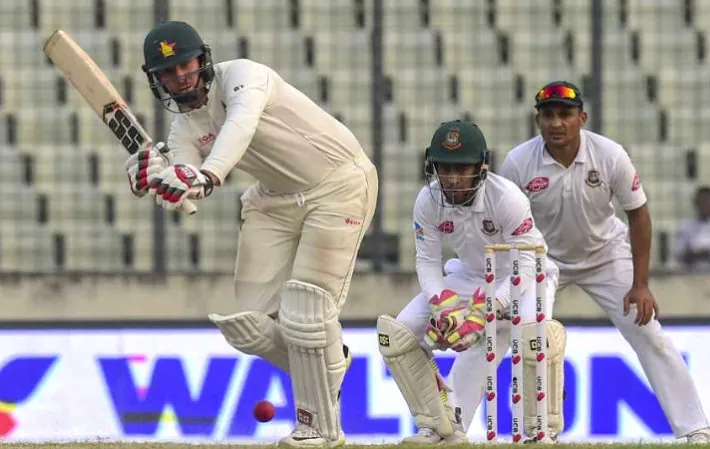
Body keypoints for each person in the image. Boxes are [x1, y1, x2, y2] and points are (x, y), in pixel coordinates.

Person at [126, 21, 378, 448]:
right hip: (274, 201)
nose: (179, 76)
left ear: (202, 59)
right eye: (167, 72)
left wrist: (207, 174)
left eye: (184, 64)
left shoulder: (244, 75)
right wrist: (159, 181)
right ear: (157, 80)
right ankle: (332, 361)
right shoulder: (184, 127)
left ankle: (316, 429)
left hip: (338, 186)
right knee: (253, 326)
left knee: (306, 312)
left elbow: (238, 129)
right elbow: (187, 195)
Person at [499, 81, 710, 443]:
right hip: (540, 257)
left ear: (581, 118)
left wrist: (641, 284)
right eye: (548, 115)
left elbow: (640, 216)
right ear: (538, 120)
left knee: (649, 333)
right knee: (530, 338)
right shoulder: (519, 162)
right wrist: (510, 283)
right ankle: (535, 430)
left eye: (565, 115)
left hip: (605, 255)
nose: (557, 123)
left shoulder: (610, 154)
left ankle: (695, 428)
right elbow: (504, 226)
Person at [376, 120, 566, 444]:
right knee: (400, 335)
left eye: (461, 168)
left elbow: (526, 259)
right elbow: (426, 260)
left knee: (533, 337)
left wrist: (487, 309)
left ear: (481, 167)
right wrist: (442, 305)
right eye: (443, 168)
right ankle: (440, 425)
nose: (451, 178)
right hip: (469, 275)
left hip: (525, 275)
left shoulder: (506, 198)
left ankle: (539, 431)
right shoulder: (428, 199)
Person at [674, 186, 710, 271]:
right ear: (696, 203)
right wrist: (699, 254)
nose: (706, 205)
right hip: (691, 274)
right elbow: (680, 252)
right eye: (703, 201)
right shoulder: (685, 226)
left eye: (709, 201)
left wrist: (702, 254)